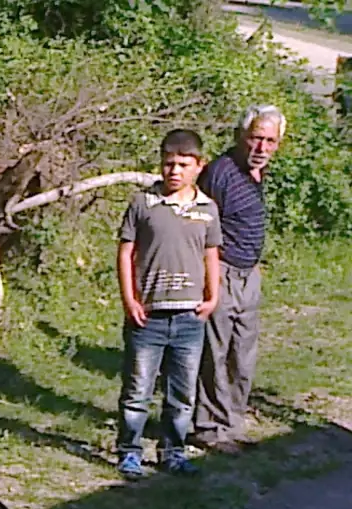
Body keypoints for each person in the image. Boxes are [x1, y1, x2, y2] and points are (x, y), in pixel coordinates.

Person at [114, 129, 222, 480]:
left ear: (198, 166)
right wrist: (130, 299)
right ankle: (130, 452)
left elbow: (211, 255)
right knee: (137, 390)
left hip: (190, 317)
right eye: (168, 164)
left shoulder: (207, 209)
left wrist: (213, 297)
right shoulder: (143, 204)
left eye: (182, 165)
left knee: (182, 393)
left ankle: (173, 452)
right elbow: (126, 252)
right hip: (149, 317)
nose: (174, 171)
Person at [192, 104, 285, 454]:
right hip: (222, 272)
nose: (261, 148)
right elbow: (200, 227)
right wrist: (210, 278)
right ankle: (207, 428)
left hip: (248, 275)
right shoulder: (221, 172)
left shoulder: (257, 173)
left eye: (269, 141)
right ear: (240, 137)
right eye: (255, 139)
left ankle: (231, 423)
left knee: (242, 354)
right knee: (214, 353)